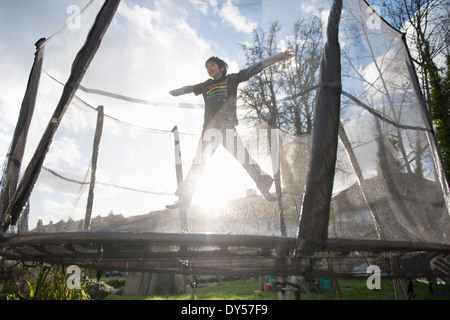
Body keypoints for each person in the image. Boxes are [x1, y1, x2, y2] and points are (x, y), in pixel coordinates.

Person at [167, 49, 294, 209]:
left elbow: (254, 68)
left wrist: (279, 57)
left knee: (244, 159)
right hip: (210, 131)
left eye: (212, 65)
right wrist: (176, 92)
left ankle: (264, 186)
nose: (209, 69)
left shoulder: (232, 79)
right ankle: (185, 199)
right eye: (207, 67)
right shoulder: (206, 85)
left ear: (221, 68)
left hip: (227, 129)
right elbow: (190, 88)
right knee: (198, 162)